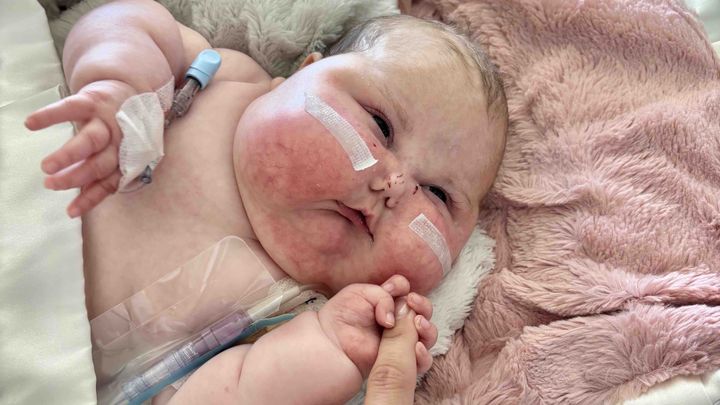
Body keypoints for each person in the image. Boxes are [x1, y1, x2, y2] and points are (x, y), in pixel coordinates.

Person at [24, 0, 507, 403]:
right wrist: (118, 82)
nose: (395, 184)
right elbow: (125, 19)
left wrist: (327, 353)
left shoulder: (303, 318)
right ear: (302, 73)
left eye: (439, 194)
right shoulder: (222, 83)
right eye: (380, 125)